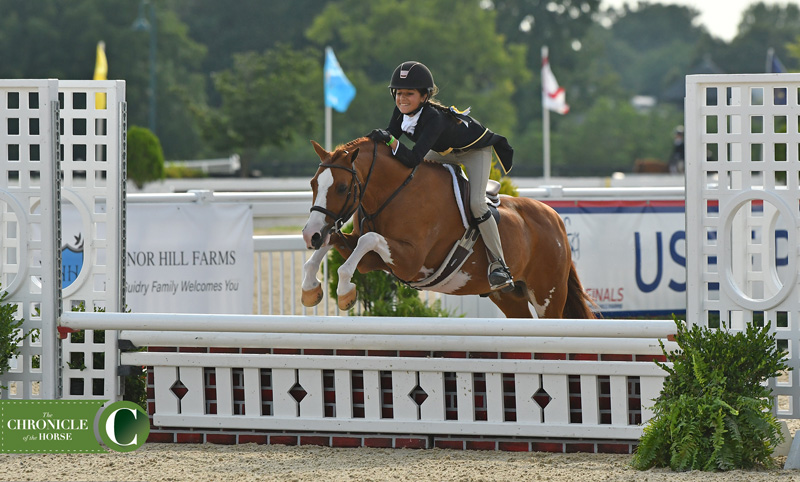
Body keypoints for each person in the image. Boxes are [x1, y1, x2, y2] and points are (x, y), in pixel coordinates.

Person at [368, 61, 515, 292]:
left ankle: (500, 266)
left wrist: (388, 139)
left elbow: (411, 156)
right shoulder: (400, 111)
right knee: (414, 182)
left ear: (424, 96)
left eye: (409, 94)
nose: (402, 98)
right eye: (398, 93)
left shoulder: (433, 118)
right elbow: (390, 143)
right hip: (444, 150)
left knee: (476, 204)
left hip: (473, 152)